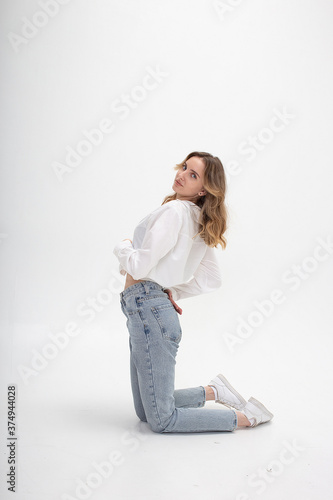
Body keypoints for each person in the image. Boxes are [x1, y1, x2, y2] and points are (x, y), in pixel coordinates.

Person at [113, 151, 273, 433]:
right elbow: (212, 279)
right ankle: (213, 391)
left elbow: (139, 265)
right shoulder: (197, 218)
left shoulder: (175, 211)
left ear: (203, 189)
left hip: (149, 312)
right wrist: (171, 290)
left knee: (161, 420)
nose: (182, 175)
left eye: (193, 175)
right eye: (185, 167)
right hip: (147, 310)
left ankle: (246, 418)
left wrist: (123, 246)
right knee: (145, 412)